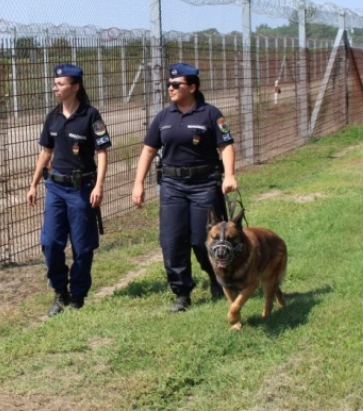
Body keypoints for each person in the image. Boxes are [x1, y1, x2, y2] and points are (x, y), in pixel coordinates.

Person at [132, 62, 238, 313]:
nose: (171, 88)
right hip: (172, 186)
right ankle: (181, 293)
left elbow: (226, 146)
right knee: (172, 241)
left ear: (192, 86)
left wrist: (229, 175)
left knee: (203, 241)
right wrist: (138, 183)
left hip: (204, 184)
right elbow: (148, 150)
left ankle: (217, 277)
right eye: (169, 84)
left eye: (176, 84)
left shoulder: (210, 114)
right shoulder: (163, 117)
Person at [27, 64, 111, 317]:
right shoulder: (52, 117)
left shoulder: (90, 116)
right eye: (55, 83)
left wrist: (99, 185)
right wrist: (32, 185)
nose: (56, 87)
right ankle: (60, 291)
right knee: (50, 243)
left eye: (61, 84)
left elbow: (103, 152)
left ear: (76, 87)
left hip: (81, 189)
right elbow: (46, 152)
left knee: (82, 247)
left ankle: (78, 295)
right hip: (55, 188)